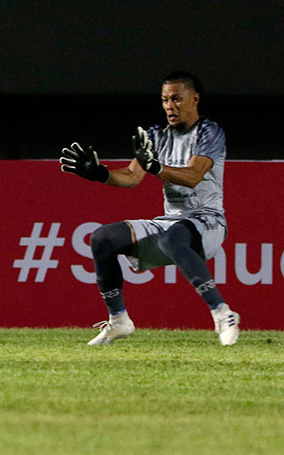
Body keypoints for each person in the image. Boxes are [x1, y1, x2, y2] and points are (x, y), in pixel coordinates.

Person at [59, 71, 240, 346]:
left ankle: (222, 313)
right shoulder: (156, 135)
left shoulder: (209, 131)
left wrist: (155, 167)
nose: (170, 105)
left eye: (177, 99)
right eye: (165, 99)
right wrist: (100, 173)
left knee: (172, 237)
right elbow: (131, 177)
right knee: (102, 239)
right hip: (172, 221)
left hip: (208, 220)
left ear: (195, 99)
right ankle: (119, 320)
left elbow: (193, 177)